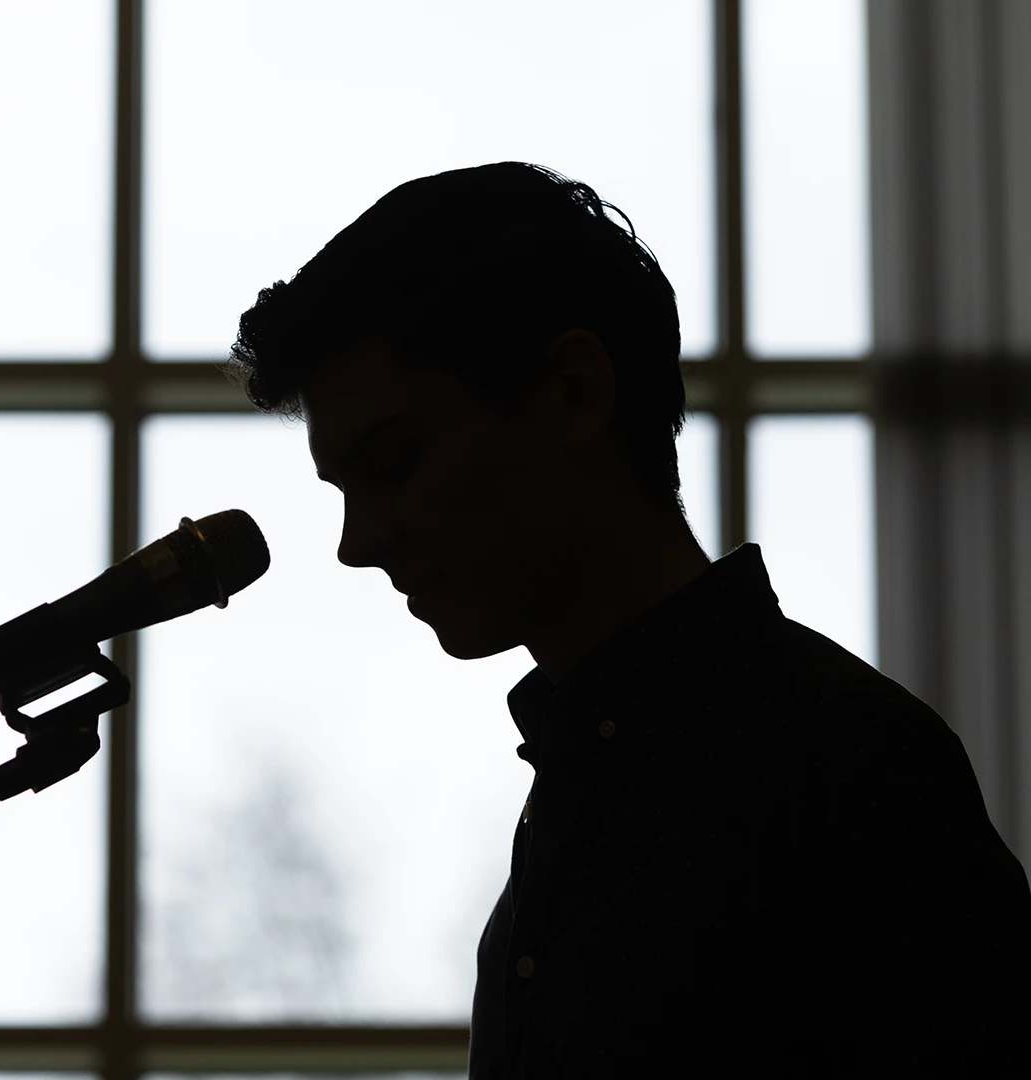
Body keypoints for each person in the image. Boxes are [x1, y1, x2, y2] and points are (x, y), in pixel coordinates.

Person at [223, 161, 1031, 1076]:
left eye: (396, 463)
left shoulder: (852, 779)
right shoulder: (673, 783)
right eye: (346, 488)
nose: (357, 544)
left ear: (573, 392)